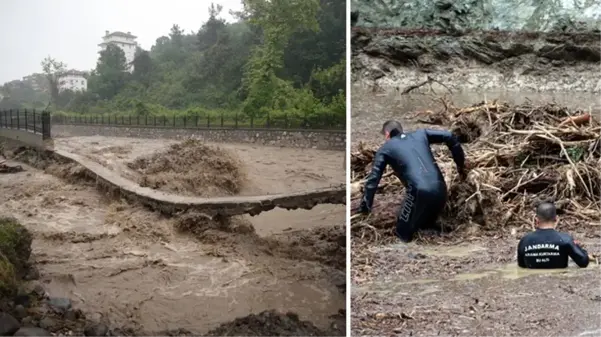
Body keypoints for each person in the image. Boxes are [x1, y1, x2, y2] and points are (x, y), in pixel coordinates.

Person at [356, 120, 467, 242]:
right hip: (441, 189)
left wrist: (365, 207)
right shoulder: (420, 134)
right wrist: (461, 167)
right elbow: (450, 136)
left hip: (419, 192)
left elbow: (373, 179)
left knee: (402, 233)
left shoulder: (385, 149)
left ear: (387, 134)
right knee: (425, 227)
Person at [517, 202, 589, 269]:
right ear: (556, 219)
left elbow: (522, 266)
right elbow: (584, 262)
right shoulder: (565, 239)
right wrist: (579, 247)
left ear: (536, 220)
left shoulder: (524, 241)